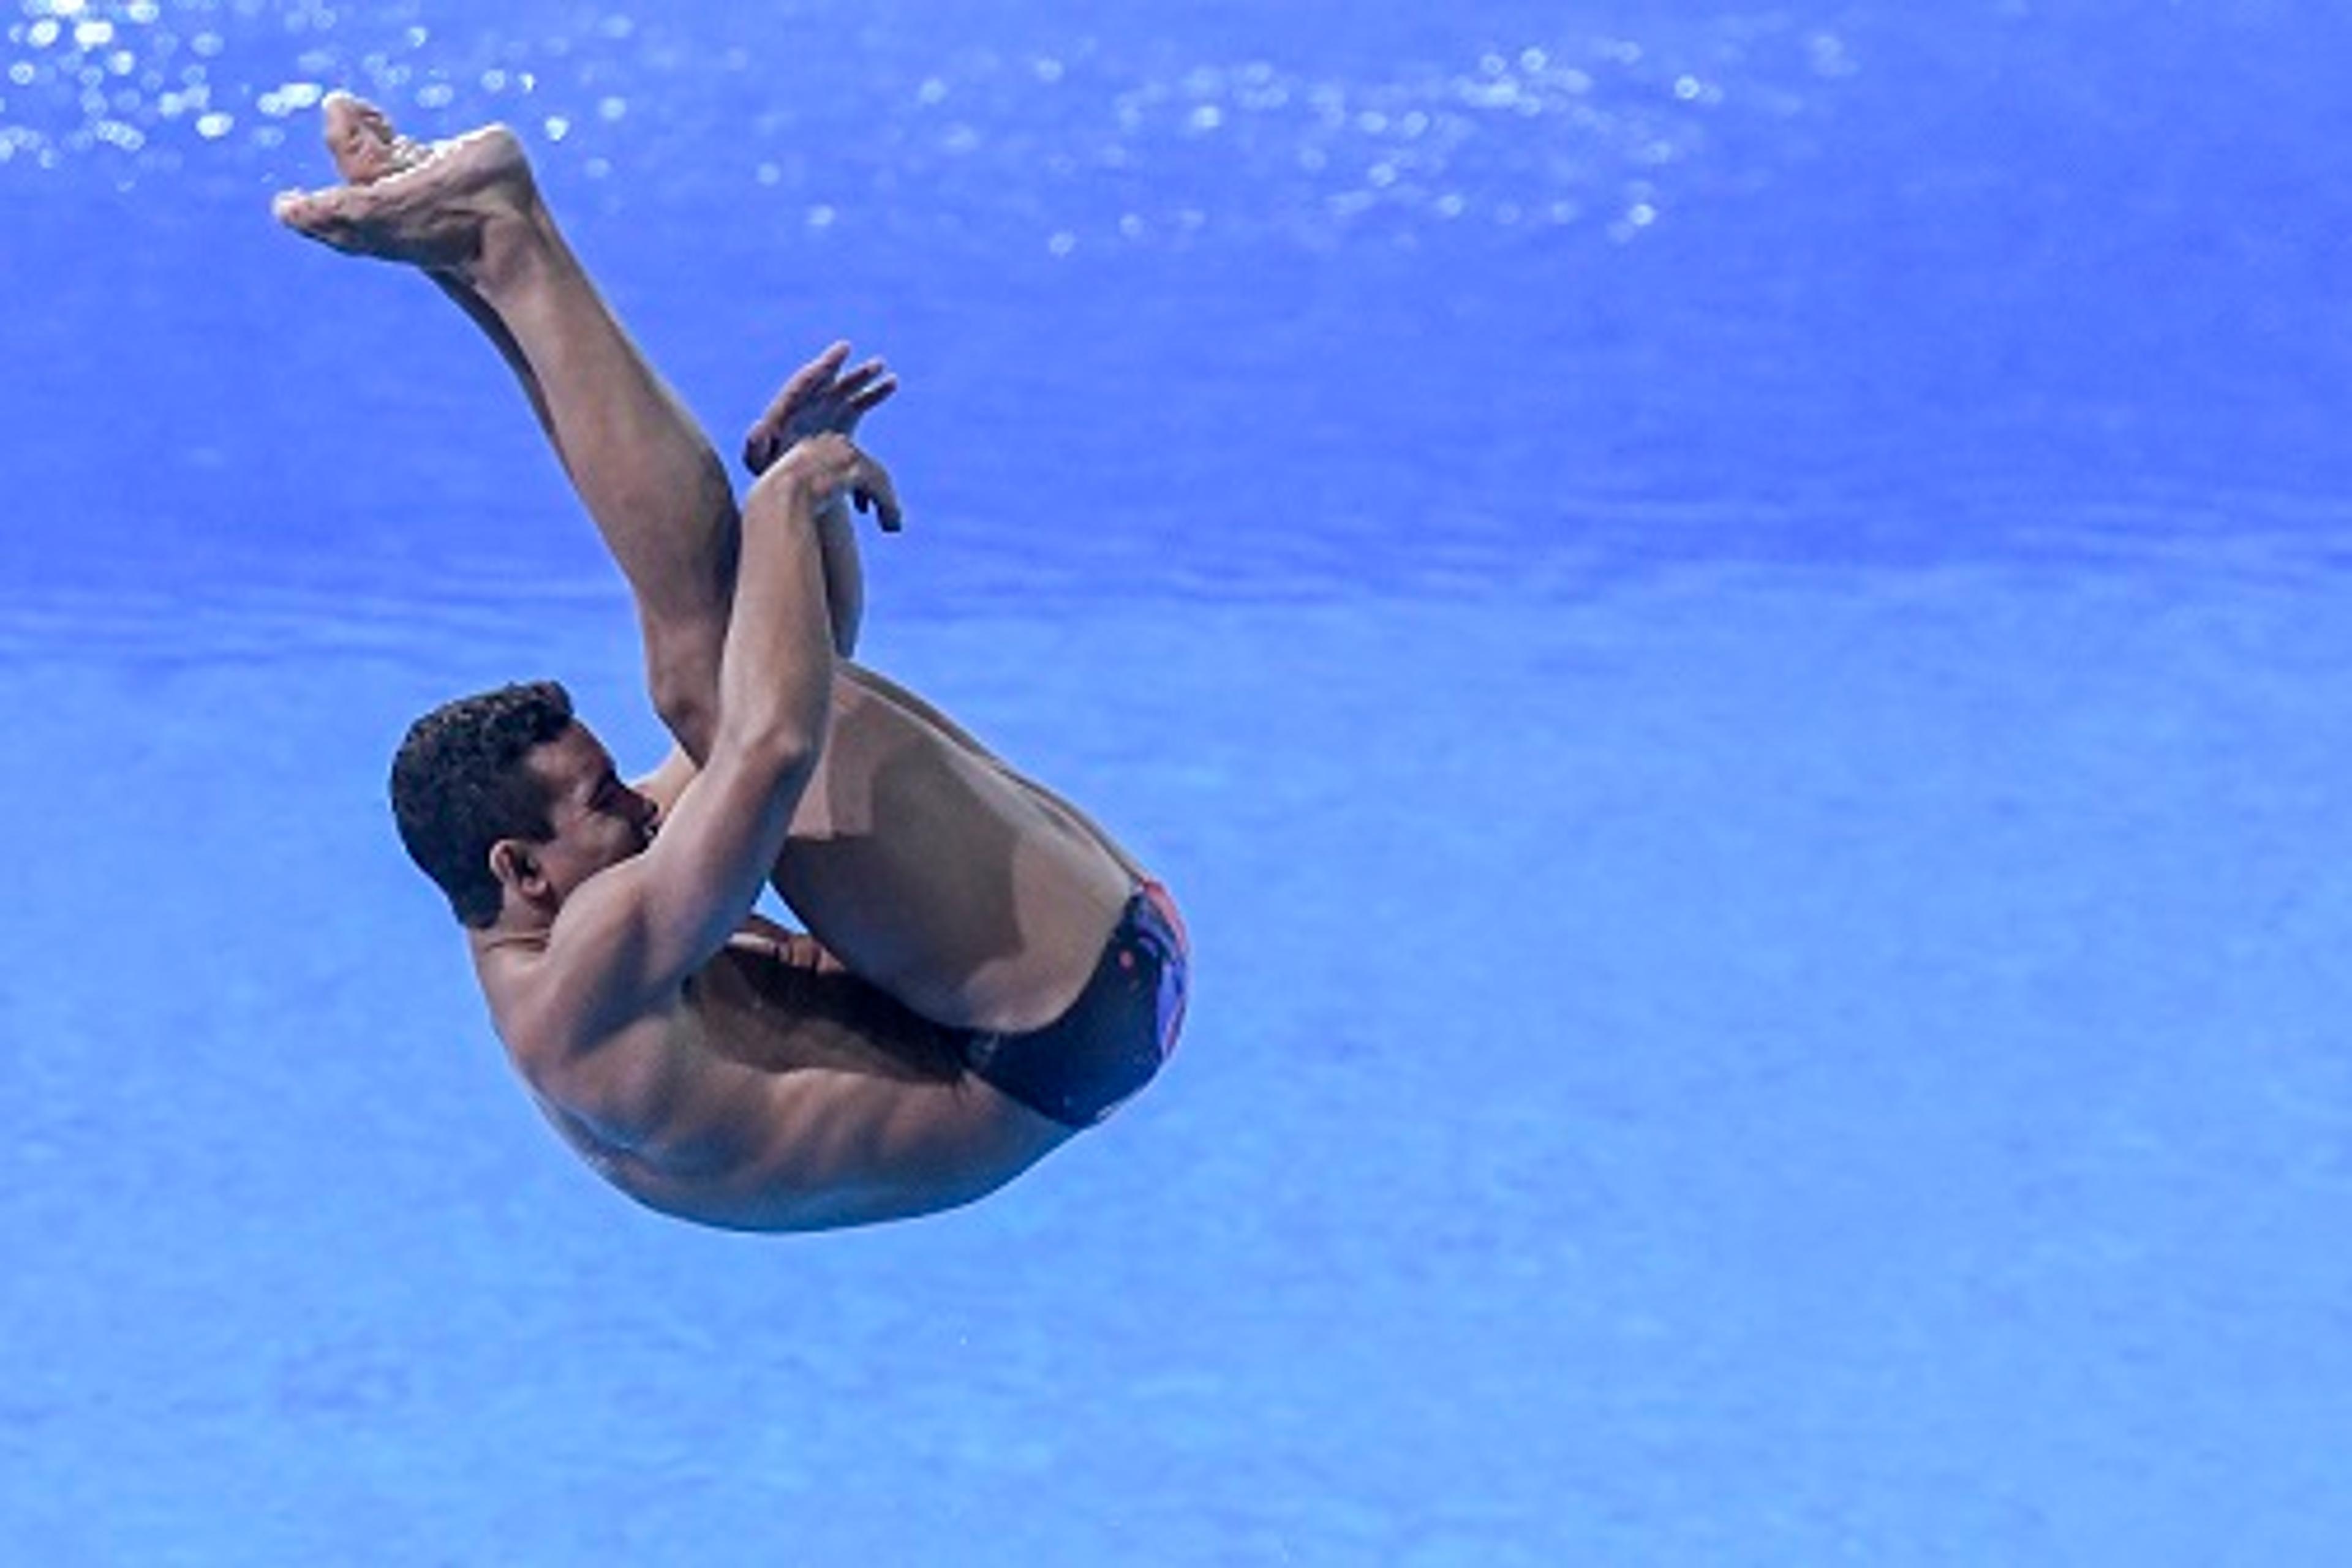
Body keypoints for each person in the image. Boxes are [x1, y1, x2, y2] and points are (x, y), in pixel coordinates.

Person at [273, 94, 1188, 1232]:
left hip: (1059, 990)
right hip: (1061, 1018)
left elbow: (806, 682)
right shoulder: (584, 993)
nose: (642, 805)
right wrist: (784, 502)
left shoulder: (579, 897)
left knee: (718, 676)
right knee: (707, 684)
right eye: (603, 801)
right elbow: (773, 741)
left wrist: (805, 510)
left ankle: (474, 254)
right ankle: (496, 240)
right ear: (520, 869)